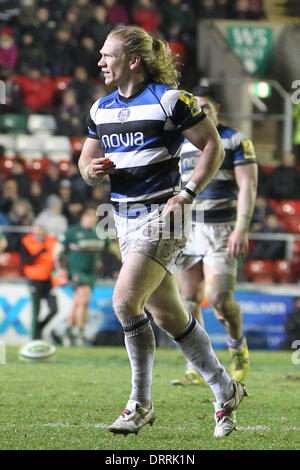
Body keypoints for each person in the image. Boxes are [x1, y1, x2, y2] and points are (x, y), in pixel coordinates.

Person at [78, 25, 247, 438]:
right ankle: (226, 390)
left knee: (124, 301)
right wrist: (91, 171)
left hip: (165, 215)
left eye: (107, 55)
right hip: (122, 218)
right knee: (169, 314)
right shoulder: (100, 109)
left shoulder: (171, 100)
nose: (100, 61)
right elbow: (86, 164)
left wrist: (188, 193)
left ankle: (140, 402)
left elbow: (214, 146)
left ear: (132, 60)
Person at [173, 85, 257, 386]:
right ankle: (195, 366)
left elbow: (247, 186)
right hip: (186, 230)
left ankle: (237, 348)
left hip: (221, 230)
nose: (201, 111)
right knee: (188, 300)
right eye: (196, 107)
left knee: (219, 299)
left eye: (206, 107)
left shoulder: (235, 140)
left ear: (217, 109)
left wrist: (241, 227)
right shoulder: (179, 141)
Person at [56, 205, 118, 347]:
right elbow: (57, 251)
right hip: (77, 271)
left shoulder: (99, 232)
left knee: (78, 302)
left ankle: (68, 329)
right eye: (89, 217)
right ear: (83, 217)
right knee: (84, 300)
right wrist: (60, 269)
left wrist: (125, 262)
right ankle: (80, 332)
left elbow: (113, 250)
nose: (92, 220)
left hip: (91, 273)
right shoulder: (72, 232)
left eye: (94, 218)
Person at [20, 223, 58, 340]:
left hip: (48, 280)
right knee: (36, 310)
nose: (38, 232)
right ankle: (34, 337)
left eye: (41, 229)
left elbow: (57, 257)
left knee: (54, 309)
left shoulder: (52, 241)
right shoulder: (27, 242)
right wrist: (39, 253)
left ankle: (39, 328)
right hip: (34, 280)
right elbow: (25, 261)